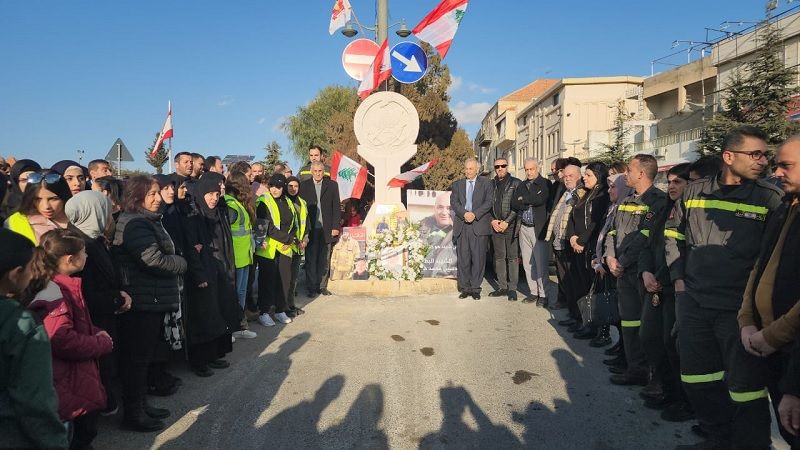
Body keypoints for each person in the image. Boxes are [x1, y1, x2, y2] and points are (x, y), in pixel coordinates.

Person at [664, 126, 783, 448]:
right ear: (728, 157)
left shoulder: (770, 199)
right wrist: (678, 278)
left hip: (738, 310)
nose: (762, 161)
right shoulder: (694, 192)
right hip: (694, 303)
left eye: (765, 154)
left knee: (745, 389)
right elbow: (673, 234)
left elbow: (776, 259)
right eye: (754, 154)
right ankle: (717, 436)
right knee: (696, 378)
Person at [729, 135, 800, 448]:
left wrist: (772, 336)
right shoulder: (785, 208)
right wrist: (746, 319)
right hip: (771, 348)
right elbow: (759, 269)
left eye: (787, 165)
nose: (777, 172)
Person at [111, 175, 187, 432]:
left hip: (151, 298)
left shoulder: (148, 220)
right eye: (151, 194)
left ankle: (141, 405)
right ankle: (133, 413)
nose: (157, 198)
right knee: (136, 360)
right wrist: (180, 263)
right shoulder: (135, 224)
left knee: (144, 358)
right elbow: (153, 260)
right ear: (136, 197)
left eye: (158, 193)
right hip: (141, 302)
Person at [27, 229, 113, 450]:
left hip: (71, 378)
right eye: (84, 252)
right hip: (65, 380)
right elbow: (61, 339)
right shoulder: (53, 292)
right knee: (76, 438)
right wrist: (100, 343)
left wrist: (94, 331)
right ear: (70, 259)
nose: (87, 256)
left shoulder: (64, 286)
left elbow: (74, 324)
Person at [0, 229, 69, 449]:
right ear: (15, 274)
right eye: (31, 268)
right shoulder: (20, 322)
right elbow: (35, 401)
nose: (33, 274)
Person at [66, 191, 132, 417]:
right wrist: (118, 299)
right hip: (96, 320)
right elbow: (88, 292)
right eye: (106, 208)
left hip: (104, 314)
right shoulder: (81, 247)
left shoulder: (94, 241)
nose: (111, 213)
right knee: (101, 367)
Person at [605, 154, 667, 387]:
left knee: (648, 329)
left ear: (641, 173)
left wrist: (622, 261)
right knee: (629, 324)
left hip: (639, 271)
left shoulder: (657, 201)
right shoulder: (627, 199)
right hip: (621, 270)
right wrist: (610, 257)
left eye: (629, 170)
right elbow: (613, 232)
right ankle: (635, 369)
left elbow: (645, 237)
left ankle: (654, 376)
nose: (625, 174)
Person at [637, 163, 692, 418]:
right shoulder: (663, 210)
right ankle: (660, 383)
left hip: (674, 288)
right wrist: (646, 272)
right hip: (654, 285)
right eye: (669, 181)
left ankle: (678, 396)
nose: (671, 186)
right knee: (650, 336)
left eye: (678, 182)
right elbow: (647, 245)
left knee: (673, 344)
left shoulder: (693, 214)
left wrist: (660, 277)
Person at [182, 173, 239, 376]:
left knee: (219, 312)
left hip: (221, 270)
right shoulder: (194, 216)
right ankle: (199, 361)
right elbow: (191, 248)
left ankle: (215, 354)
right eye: (209, 194)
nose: (214, 198)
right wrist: (199, 275)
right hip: (203, 273)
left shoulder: (219, 213)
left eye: (217, 193)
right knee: (203, 316)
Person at [566, 162, 610, 339]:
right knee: (583, 286)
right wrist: (572, 237)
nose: (584, 177)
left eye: (589, 175)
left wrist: (582, 240)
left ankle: (600, 330)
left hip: (591, 248)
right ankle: (585, 321)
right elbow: (572, 216)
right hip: (578, 246)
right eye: (585, 174)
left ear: (599, 177)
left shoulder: (602, 195)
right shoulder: (585, 194)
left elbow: (595, 222)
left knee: (596, 290)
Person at [593, 174, 634, 349]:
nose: (609, 190)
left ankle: (623, 348)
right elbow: (606, 235)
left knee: (621, 310)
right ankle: (615, 343)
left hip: (619, 266)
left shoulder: (626, 208)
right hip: (607, 262)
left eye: (613, 187)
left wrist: (611, 261)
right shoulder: (613, 207)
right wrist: (600, 258)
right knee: (611, 304)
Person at [255, 174, 298, 326]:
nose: (275, 189)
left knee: (284, 281)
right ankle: (264, 312)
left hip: (285, 248)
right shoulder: (263, 201)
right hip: (268, 249)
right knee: (267, 281)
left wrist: (291, 239)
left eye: (279, 187)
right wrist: (288, 239)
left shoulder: (288, 201)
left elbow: (294, 223)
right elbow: (267, 228)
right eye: (272, 186)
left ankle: (281, 309)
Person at [450, 157, 493, 300]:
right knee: (463, 259)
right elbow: (454, 202)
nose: (467, 171)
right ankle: (465, 288)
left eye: (471, 169)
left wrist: (474, 214)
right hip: (462, 226)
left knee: (478, 259)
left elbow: (489, 202)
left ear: (477, 170)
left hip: (478, 225)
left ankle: (475, 288)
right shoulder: (457, 185)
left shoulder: (486, 183)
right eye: (466, 168)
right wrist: (464, 214)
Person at [545, 165, 586, 314]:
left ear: (579, 176)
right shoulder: (567, 192)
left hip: (570, 244)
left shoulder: (581, 193)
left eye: (571, 176)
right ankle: (571, 312)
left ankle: (576, 315)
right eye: (565, 176)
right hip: (559, 243)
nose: (567, 179)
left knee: (573, 282)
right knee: (563, 280)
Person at [224, 171, 258, 339]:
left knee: (241, 292)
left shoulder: (238, 203)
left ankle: (239, 325)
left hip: (244, 255)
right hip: (235, 258)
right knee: (234, 294)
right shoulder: (230, 204)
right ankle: (232, 327)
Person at [513, 158, 552, 306]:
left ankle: (544, 294)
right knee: (528, 264)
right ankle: (533, 292)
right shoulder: (522, 185)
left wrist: (524, 199)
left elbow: (540, 199)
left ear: (538, 169)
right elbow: (514, 202)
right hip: (524, 227)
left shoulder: (545, 183)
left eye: (532, 169)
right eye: (526, 169)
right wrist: (526, 200)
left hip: (538, 228)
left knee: (541, 263)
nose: (529, 172)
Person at [299, 161, 341, 297]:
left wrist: (335, 226)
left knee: (324, 258)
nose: (318, 173)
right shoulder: (304, 186)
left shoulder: (332, 185)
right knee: (311, 259)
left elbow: (336, 207)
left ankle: (322, 286)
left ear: (324, 171)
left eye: (320, 171)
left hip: (327, 228)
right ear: (311, 171)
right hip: (311, 228)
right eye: (315, 171)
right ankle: (311, 287)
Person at [5, 170, 73, 245]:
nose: (46, 206)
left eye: (53, 199)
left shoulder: (79, 217)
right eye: (38, 199)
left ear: (64, 197)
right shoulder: (16, 222)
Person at [488, 157, 522, 301]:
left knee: (512, 258)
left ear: (507, 166)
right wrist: (493, 221)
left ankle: (512, 289)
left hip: (511, 226)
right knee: (499, 257)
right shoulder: (490, 184)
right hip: (496, 226)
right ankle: (502, 287)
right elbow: (487, 206)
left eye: (503, 165)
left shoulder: (516, 183)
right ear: (494, 168)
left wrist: (506, 222)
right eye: (497, 166)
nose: (500, 168)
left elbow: (517, 207)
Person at [419, 192, 457, 278]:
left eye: (449, 208)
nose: (444, 212)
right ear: (434, 209)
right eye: (440, 207)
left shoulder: (463, 235)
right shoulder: (421, 227)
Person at [286, 176, 309, 317]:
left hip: (299, 247)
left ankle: (291, 305)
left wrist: (305, 240)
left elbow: (307, 224)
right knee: (285, 279)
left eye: (296, 186)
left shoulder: (302, 202)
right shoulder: (284, 202)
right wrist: (295, 241)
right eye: (290, 186)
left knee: (293, 279)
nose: (293, 189)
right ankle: (283, 307)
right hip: (287, 246)